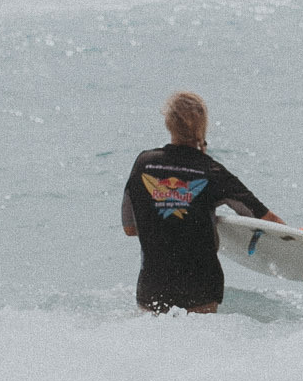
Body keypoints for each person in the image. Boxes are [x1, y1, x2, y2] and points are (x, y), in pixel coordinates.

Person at [120, 91, 282, 313]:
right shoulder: (211, 171)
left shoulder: (143, 164)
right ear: (203, 126)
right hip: (200, 289)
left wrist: (166, 217)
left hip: (153, 287)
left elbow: (130, 228)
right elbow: (263, 218)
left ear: (168, 123)